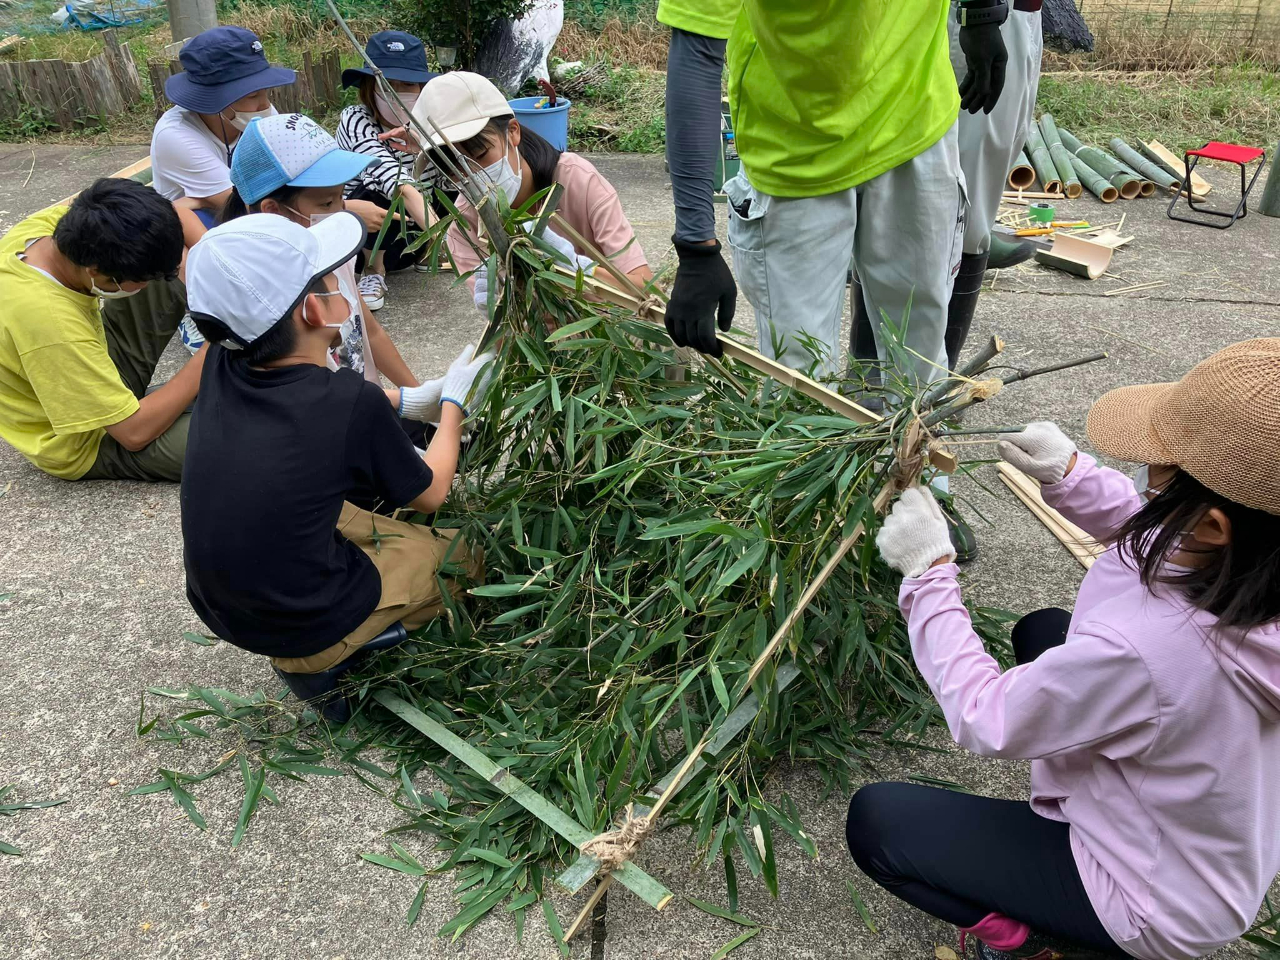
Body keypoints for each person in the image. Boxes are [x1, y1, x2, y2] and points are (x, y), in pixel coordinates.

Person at [857, 338, 1280, 960]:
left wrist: (928, 573)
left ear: (1214, 525)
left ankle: (1033, 944)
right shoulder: (1252, 562)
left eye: (1160, 468)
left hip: (1153, 897)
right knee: (1044, 628)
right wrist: (1074, 476)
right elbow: (1163, 535)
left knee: (879, 823)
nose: (1146, 473)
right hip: (1209, 841)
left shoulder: (1149, 651)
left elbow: (986, 715)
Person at [656, 0, 1010, 561]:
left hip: (914, 122)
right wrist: (695, 243)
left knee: (916, 357)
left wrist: (984, 14)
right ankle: (803, 544)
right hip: (794, 147)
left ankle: (914, 503)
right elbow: (697, 52)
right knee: (800, 380)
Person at [181, 212, 492, 690]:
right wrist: (453, 406)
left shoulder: (224, 361)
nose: (339, 284)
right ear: (313, 309)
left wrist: (412, 400)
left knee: (353, 513)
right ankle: (343, 653)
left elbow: (316, 413)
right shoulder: (347, 400)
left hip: (227, 609)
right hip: (304, 626)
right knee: (465, 554)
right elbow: (431, 493)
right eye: (329, 278)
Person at [220, 112, 443, 445]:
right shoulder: (264, 301)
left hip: (369, 406)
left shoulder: (327, 246)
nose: (340, 211)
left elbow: (370, 330)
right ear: (272, 211)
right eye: (327, 202)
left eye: (342, 197)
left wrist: (421, 401)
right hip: (331, 435)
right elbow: (313, 400)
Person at [850, 0, 1042, 374]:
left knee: (974, 214)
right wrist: (980, 15)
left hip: (1020, 15)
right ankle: (874, 388)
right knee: (907, 206)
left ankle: (927, 397)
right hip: (964, 15)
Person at [0, 178, 204, 482]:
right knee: (256, 443)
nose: (149, 286)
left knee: (168, 263)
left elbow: (175, 214)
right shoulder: (49, 323)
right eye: (142, 280)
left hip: (90, 361)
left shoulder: (62, 226)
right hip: (91, 437)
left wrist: (222, 269)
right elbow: (133, 433)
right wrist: (215, 346)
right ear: (94, 271)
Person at [412, 71, 652, 306]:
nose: (472, 177)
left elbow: (646, 292)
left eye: (480, 155)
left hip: (609, 331)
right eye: (454, 170)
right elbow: (511, 331)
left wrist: (577, 270)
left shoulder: (577, 180)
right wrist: (499, 314)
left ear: (513, 132)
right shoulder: (465, 224)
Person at [151, 24, 295, 351]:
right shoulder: (176, 135)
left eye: (265, 91)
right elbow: (244, 202)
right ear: (218, 98)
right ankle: (198, 308)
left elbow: (286, 167)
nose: (265, 104)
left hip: (227, 205)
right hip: (198, 223)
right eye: (253, 94)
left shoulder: (253, 112)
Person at [336, 30, 440, 311]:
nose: (397, 93)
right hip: (365, 241)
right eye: (388, 85)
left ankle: (426, 254)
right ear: (369, 87)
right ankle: (373, 272)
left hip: (415, 235)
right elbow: (393, 180)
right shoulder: (356, 119)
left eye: (407, 84)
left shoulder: (430, 122)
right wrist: (449, 240)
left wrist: (428, 148)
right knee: (379, 189)